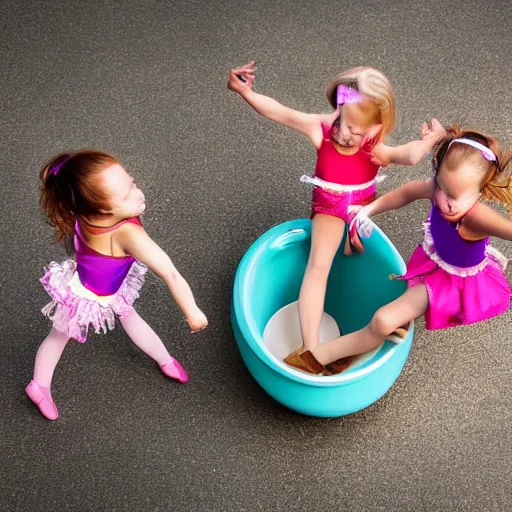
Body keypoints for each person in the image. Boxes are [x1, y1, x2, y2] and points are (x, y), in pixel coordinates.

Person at [228, 61, 445, 365]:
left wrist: (430, 140)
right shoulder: (322, 129)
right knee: (318, 268)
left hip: (362, 210)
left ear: (374, 126)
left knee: (359, 253)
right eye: (347, 127)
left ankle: (387, 316)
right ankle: (311, 350)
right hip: (329, 207)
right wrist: (245, 92)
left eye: (360, 132)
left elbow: (406, 156)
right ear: (339, 110)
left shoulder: (373, 142)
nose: (350, 137)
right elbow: (277, 111)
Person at [284, 127, 512, 375]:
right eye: (440, 187)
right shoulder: (438, 188)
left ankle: (317, 358)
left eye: (453, 196)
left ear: (480, 191)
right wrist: (365, 212)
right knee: (401, 300)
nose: (442, 200)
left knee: (382, 321)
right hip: (434, 259)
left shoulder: (478, 218)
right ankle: (392, 324)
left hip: (451, 281)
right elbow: (404, 193)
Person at [26, 151, 208, 419]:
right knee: (75, 332)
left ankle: (165, 359)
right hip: (95, 294)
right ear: (105, 209)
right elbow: (170, 273)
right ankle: (39, 386)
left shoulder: (80, 208)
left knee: (78, 330)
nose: (138, 192)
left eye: (132, 183)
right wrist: (192, 312)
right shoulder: (128, 234)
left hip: (90, 281)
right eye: (127, 194)